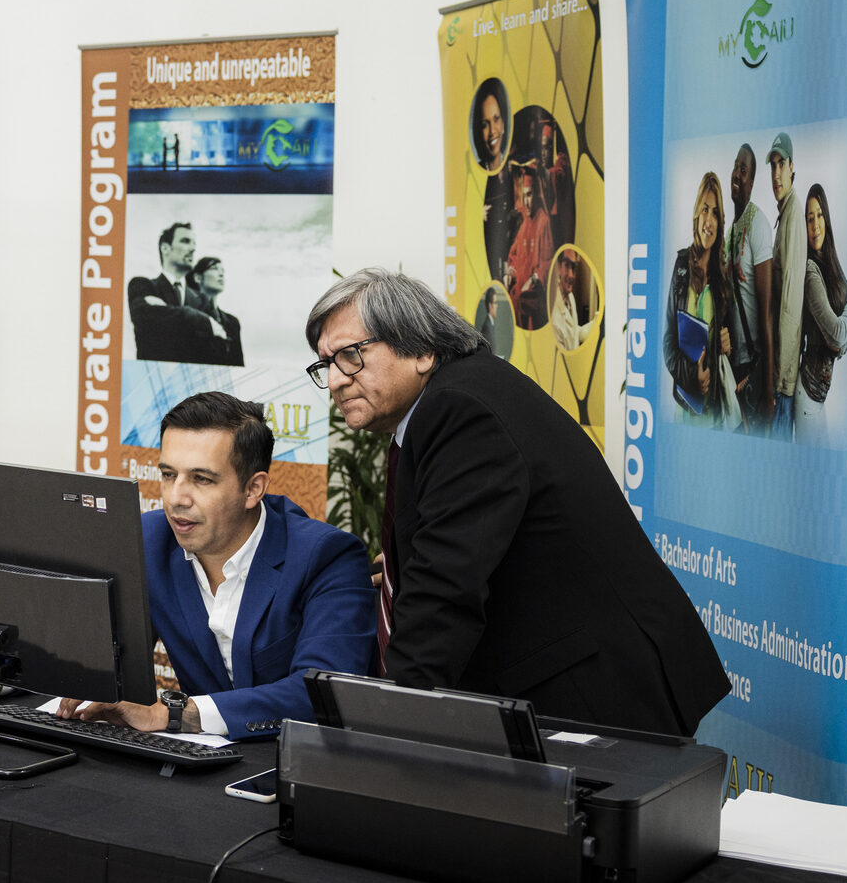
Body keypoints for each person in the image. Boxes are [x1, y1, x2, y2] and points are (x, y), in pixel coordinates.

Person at [306, 268, 728, 736]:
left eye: (350, 356)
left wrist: (386, 727)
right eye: (325, 365)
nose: (335, 381)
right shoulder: (455, 395)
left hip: (601, 692)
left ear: (421, 350)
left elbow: (443, 596)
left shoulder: (457, 410)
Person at [0, 392, 378, 735]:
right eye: (168, 474)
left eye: (202, 479)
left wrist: (174, 714)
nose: (176, 497)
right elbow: (76, 646)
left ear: (254, 489)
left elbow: (323, 694)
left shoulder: (327, 557)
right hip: (200, 771)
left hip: (291, 768)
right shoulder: (151, 538)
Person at [665, 173, 737, 426]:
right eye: (705, 209)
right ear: (696, 214)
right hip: (684, 409)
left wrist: (728, 345)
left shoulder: (722, 279)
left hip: (714, 415)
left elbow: (731, 346)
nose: (709, 220)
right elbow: (668, 341)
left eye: (715, 213)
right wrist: (692, 376)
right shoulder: (681, 266)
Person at [795, 185, 847, 444]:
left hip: (819, 396)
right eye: (809, 219)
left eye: (819, 215)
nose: (815, 225)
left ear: (827, 219)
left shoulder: (830, 265)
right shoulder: (811, 271)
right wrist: (845, 335)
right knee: (810, 466)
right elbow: (837, 335)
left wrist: (844, 337)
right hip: (808, 396)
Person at [725, 144, 775, 430]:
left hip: (754, 366)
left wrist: (768, 393)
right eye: (735, 166)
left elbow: (767, 312)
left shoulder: (759, 225)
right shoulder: (730, 232)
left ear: (752, 182)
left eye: (743, 170)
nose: (736, 173)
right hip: (733, 365)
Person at [127, 222, 228, 362]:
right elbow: (145, 318)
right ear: (165, 248)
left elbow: (220, 347)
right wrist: (201, 320)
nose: (193, 248)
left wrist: (166, 315)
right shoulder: (143, 285)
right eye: (185, 241)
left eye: (194, 243)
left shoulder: (204, 300)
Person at [767, 132, 805, 439]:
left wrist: (777, 377)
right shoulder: (785, 213)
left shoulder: (793, 214)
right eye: (773, 166)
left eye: (782, 164)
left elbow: (791, 303)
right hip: (780, 370)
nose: (776, 173)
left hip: (782, 379)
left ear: (792, 166)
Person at [500, 168, 553, 328]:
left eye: (529, 195)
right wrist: (510, 272)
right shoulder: (524, 225)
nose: (527, 202)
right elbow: (514, 257)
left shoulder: (543, 222)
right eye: (524, 196)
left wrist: (532, 280)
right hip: (518, 294)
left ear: (536, 195)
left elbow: (547, 265)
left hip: (533, 298)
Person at [187, 255, 244, 365]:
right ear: (197, 278)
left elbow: (238, 365)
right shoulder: (189, 317)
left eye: (222, 271)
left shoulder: (232, 322)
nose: (221, 274)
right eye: (214, 269)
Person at [549, 249, 591, 352]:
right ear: (558, 268)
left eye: (573, 267)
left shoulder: (570, 297)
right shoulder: (553, 313)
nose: (571, 275)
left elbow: (573, 332)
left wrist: (594, 324)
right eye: (567, 266)